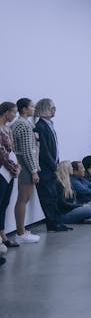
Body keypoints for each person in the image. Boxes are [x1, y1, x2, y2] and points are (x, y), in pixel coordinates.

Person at [35, 98, 70, 232]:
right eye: (52, 108)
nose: (55, 110)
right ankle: (52, 224)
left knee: (54, 195)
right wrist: (53, 165)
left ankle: (57, 222)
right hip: (45, 168)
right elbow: (43, 150)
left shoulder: (49, 124)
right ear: (45, 109)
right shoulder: (40, 126)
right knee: (47, 197)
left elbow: (54, 147)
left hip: (51, 166)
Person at [10, 98, 41, 243]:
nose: (34, 109)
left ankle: (21, 230)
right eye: (32, 106)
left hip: (23, 164)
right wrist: (34, 170)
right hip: (26, 165)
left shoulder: (21, 124)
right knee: (23, 198)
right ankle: (21, 233)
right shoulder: (24, 125)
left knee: (23, 198)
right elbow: (27, 150)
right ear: (24, 109)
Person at [0, 102, 21, 249]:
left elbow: (11, 150)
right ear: (6, 112)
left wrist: (16, 167)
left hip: (9, 173)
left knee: (4, 204)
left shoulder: (7, 129)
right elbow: (2, 153)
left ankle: (2, 234)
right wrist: (14, 167)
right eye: (14, 112)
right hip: (2, 171)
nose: (15, 115)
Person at [54, 161, 91, 225]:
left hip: (72, 209)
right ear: (66, 169)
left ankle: (85, 219)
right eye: (70, 167)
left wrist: (81, 205)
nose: (72, 169)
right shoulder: (59, 183)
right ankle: (84, 219)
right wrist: (80, 206)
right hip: (64, 214)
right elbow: (63, 204)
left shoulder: (68, 182)